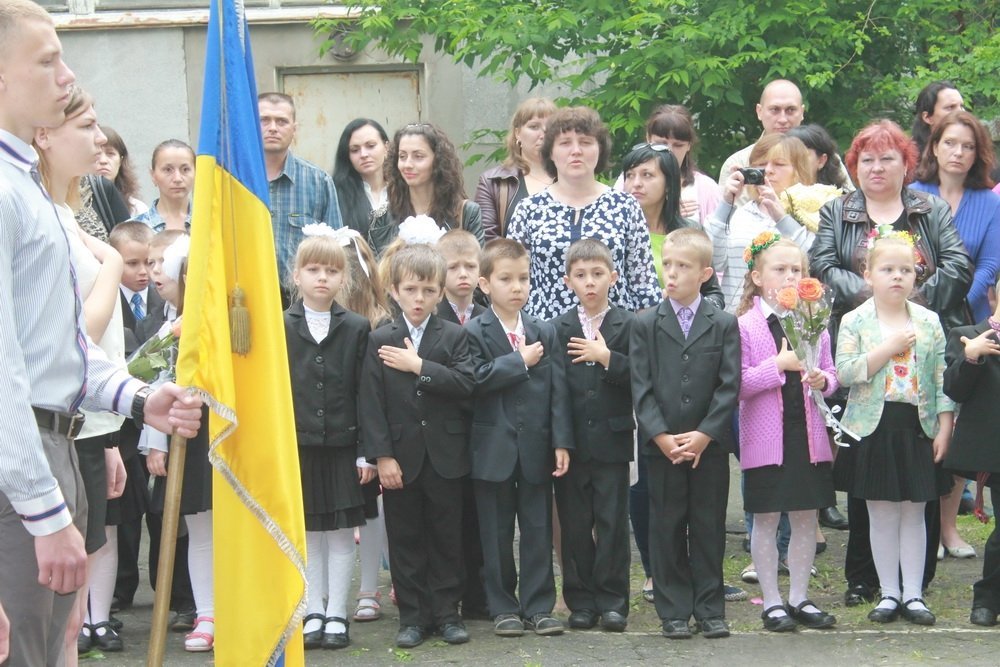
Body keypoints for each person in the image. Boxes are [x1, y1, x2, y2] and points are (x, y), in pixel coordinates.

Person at [0, 5, 202, 664]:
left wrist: (139, 399)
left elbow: (57, 345)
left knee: (53, 647)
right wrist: (42, 510)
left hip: (53, 447)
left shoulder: (24, 188)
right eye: (47, 60)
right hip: (20, 461)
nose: (67, 75)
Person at [809, 119, 972, 607]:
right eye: (867, 159)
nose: (877, 168)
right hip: (860, 349)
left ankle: (914, 585)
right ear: (855, 166)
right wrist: (873, 296)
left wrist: (908, 300)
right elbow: (822, 265)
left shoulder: (930, 209)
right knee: (867, 479)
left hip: (922, 351)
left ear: (907, 164)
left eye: (888, 158)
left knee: (916, 481)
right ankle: (865, 577)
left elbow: (958, 265)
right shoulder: (838, 210)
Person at [34, 84, 130, 658]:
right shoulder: (44, 218)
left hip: (85, 428)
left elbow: (100, 355)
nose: (101, 143)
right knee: (46, 622)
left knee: (67, 623)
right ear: (44, 137)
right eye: (86, 128)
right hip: (44, 434)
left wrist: (112, 434)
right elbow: (78, 338)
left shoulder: (74, 214)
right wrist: (114, 263)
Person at [360, 243, 476, 649]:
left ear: (440, 293)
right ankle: (412, 616)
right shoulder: (380, 338)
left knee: (447, 536)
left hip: (446, 457)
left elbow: (466, 385)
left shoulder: (456, 336)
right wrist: (383, 456)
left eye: (428, 290)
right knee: (405, 537)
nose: (419, 298)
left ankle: (447, 613)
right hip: (401, 459)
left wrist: (420, 367)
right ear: (394, 290)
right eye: (411, 289)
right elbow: (370, 403)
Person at [836, 231, 954, 626]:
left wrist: (945, 425)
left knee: (915, 512)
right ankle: (888, 592)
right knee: (881, 513)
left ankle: (914, 593)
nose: (897, 277)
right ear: (868, 274)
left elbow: (941, 378)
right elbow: (846, 373)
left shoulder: (929, 321)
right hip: (873, 427)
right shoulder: (855, 321)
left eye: (906, 270)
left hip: (916, 427)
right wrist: (887, 348)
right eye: (887, 269)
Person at [630, 227, 740, 640]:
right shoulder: (645, 323)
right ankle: (673, 609)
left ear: (705, 273)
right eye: (668, 264)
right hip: (663, 448)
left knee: (708, 526)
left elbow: (729, 385)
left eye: (683, 266)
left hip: (706, 448)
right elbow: (640, 387)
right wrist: (659, 436)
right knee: (667, 525)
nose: (671, 273)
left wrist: (705, 434)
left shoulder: (723, 323)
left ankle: (710, 608)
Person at [465, 238, 572, 637]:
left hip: (536, 447)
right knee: (494, 532)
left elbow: (558, 390)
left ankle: (539, 605)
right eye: (506, 279)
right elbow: (473, 380)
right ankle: (502, 606)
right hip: (492, 450)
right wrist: (518, 361)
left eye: (523, 278)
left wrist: (561, 441)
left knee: (538, 528)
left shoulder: (543, 329)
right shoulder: (474, 331)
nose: (517, 287)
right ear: (485, 284)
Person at [737, 234, 838, 632]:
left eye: (796, 269)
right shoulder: (745, 326)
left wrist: (822, 380)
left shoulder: (814, 322)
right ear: (758, 277)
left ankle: (799, 596)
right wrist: (778, 364)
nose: (790, 276)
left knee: (804, 516)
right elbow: (738, 385)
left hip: (807, 435)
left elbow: (831, 372)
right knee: (765, 519)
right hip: (766, 440)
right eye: (780, 269)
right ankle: (772, 601)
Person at [912, 110, 1000, 560]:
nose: (958, 153)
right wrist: (929, 297)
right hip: (916, 312)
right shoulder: (915, 194)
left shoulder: (989, 201)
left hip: (969, 318)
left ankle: (948, 526)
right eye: (950, 143)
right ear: (934, 145)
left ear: (978, 153)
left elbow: (989, 263)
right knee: (921, 414)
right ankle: (919, 524)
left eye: (967, 146)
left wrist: (959, 294)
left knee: (959, 421)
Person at [284, 230, 371, 650]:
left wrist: (365, 451)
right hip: (298, 448)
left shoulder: (357, 328)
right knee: (309, 532)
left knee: (339, 533)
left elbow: (365, 393)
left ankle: (338, 610)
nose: (323, 278)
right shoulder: (281, 326)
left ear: (344, 278)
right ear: (296, 275)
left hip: (343, 447)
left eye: (332, 270)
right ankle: (312, 608)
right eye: (313, 270)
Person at [551, 238, 635, 633]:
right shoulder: (559, 328)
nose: (590, 283)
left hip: (613, 443)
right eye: (581, 276)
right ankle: (580, 600)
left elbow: (642, 377)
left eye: (598, 274)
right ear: (568, 281)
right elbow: (555, 392)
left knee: (613, 522)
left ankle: (614, 600)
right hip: (573, 447)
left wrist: (608, 359)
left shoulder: (629, 324)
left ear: (612, 277)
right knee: (574, 524)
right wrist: (560, 441)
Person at [507, 106, 660, 320]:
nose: (576, 151)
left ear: (600, 149)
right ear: (550, 151)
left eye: (586, 142)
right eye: (565, 143)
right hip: (546, 339)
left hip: (614, 340)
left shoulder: (625, 206)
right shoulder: (529, 210)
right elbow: (512, 285)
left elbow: (644, 288)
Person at [142, 232, 215, 652]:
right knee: (200, 530)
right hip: (191, 433)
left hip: (236, 435)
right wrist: (173, 332)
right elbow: (142, 372)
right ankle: (206, 614)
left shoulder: (244, 320)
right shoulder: (175, 325)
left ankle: (239, 608)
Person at [323, 228, 391, 623]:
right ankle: (329, 593)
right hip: (332, 428)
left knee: (372, 512)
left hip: (370, 428)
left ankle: (369, 589)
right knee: (334, 517)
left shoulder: (379, 323)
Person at [434, 229, 490, 619]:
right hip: (445, 430)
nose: (463, 275)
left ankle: (480, 594)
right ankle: (447, 594)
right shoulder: (433, 317)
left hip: (482, 431)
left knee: (480, 517)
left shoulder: (489, 316)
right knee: (449, 519)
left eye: (470, 266)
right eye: (453, 267)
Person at [942, 277, 1000, 627]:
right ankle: (987, 598)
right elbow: (955, 389)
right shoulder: (969, 334)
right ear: (993, 294)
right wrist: (971, 356)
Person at [707, 133, 817, 313]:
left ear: (798, 171)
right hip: (736, 321)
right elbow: (712, 261)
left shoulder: (811, 215)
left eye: (779, 164)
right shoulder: (738, 214)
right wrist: (726, 202)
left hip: (789, 322)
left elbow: (814, 261)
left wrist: (781, 217)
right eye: (761, 165)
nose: (769, 171)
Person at [258, 92, 344, 299]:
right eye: (264, 120)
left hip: (301, 303)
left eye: (281, 121)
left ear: (294, 129)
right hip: (246, 301)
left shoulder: (318, 182)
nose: (272, 128)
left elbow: (336, 251)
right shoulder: (234, 182)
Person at [622, 142, 725, 306]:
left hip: (682, 328)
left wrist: (688, 307)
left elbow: (713, 294)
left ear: (669, 184)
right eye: (629, 175)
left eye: (647, 175)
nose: (636, 183)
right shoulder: (616, 233)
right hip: (629, 328)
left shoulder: (690, 231)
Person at [368, 122, 484, 256]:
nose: (407, 165)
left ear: (438, 161)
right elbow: (376, 274)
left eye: (418, 156)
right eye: (402, 156)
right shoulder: (382, 219)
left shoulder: (467, 213)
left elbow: (476, 268)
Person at [618, 105, 722, 226]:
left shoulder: (706, 188)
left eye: (678, 145)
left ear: (689, 145)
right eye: (661, 144)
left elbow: (716, 238)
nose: (669, 151)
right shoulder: (629, 179)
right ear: (648, 138)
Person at [474, 97, 557, 240]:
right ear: (517, 133)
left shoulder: (572, 179)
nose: (543, 134)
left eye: (550, 127)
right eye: (534, 127)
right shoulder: (493, 182)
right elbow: (487, 241)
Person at [718, 80, 804, 206]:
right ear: (759, 111)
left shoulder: (822, 160)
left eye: (791, 110)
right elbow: (727, 220)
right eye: (775, 109)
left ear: (802, 113)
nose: (783, 119)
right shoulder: (738, 162)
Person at [332, 118, 390, 241]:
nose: (363, 154)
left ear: (386, 148)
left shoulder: (405, 190)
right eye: (355, 150)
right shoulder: (336, 194)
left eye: (370, 146)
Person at [134, 139, 195, 233]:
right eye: (168, 170)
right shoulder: (135, 230)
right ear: (153, 175)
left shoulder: (212, 224)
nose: (177, 179)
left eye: (185, 169)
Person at [95, 125, 148, 217]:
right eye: (97, 154)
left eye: (110, 154)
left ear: (121, 161)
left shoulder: (137, 210)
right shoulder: (72, 206)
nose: (103, 161)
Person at [787, 124, 853, 191]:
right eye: (788, 155)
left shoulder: (839, 199)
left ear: (821, 160)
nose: (793, 161)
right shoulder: (777, 197)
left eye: (802, 156)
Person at [911, 81, 964, 156]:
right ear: (928, 117)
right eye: (950, 107)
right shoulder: (910, 162)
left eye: (961, 106)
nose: (961, 112)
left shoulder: (974, 154)